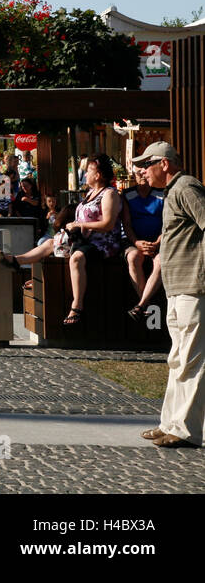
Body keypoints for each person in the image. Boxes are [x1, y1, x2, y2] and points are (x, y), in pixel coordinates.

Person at [132, 142, 205, 447]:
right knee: (177, 360)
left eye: (147, 164)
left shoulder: (186, 186)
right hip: (177, 288)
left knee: (190, 360)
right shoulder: (172, 191)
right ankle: (170, 423)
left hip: (193, 285)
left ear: (164, 164)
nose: (141, 171)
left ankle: (185, 429)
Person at [57, 154, 123, 326]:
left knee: (77, 258)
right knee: (51, 244)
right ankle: (19, 263)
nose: (85, 174)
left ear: (98, 175)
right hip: (85, 241)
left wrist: (81, 225)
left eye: (88, 171)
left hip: (103, 243)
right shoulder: (90, 193)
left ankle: (76, 306)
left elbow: (108, 224)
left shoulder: (109, 194)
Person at [123, 164, 165, 321]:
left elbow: (167, 223)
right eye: (137, 173)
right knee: (133, 257)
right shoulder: (127, 194)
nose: (141, 176)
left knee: (161, 261)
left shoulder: (162, 194)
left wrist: (157, 243)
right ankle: (145, 304)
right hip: (135, 241)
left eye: (144, 173)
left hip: (159, 241)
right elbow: (126, 224)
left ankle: (141, 305)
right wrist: (137, 242)